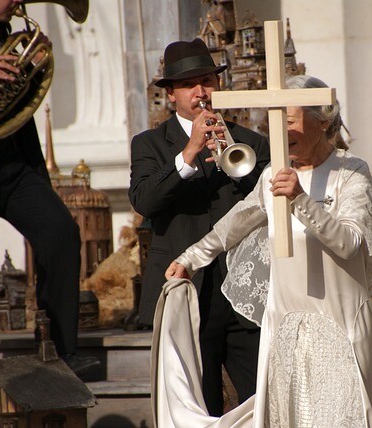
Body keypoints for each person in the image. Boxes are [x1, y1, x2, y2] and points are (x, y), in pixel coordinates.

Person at [153, 75, 372, 427]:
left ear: (321, 121)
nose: (279, 130)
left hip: (340, 325)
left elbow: (351, 244)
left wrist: (302, 201)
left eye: (288, 120)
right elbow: (236, 223)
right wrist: (191, 259)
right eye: (273, 122)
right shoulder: (275, 175)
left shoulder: (350, 172)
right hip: (286, 326)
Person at [128, 39, 270, 415]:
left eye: (207, 80)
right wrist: (189, 153)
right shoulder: (149, 144)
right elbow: (144, 202)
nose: (201, 91)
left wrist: (230, 156)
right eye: (189, 84)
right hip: (185, 287)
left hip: (243, 288)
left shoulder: (251, 142)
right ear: (171, 94)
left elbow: (265, 204)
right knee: (195, 406)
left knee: (264, 398)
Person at [0, 0, 98, 376]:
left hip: (13, 168)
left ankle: (59, 353)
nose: (19, 2)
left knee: (61, 233)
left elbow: (18, 112)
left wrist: (41, 181)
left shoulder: (6, 34)